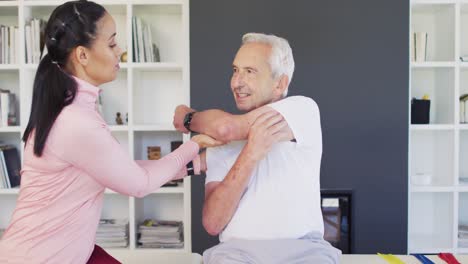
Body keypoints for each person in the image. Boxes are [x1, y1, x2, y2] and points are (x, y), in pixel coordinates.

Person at [0, 1, 220, 263]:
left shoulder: (74, 109)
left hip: (61, 251)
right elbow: (138, 184)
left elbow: (124, 171)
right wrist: (193, 145)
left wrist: (194, 165)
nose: (120, 51)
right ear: (82, 55)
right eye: (112, 43)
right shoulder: (75, 121)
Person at [173, 32, 341, 263]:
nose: (236, 82)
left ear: (280, 83)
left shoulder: (302, 110)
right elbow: (212, 223)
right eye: (235, 70)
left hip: (304, 252)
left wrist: (187, 117)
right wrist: (250, 154)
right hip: (236, 254)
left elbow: (224, 127)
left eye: (249, 72)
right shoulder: (220, 144)